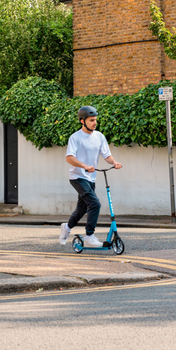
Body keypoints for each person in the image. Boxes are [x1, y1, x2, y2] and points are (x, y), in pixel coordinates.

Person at [59, 106, 122, 247]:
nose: (95, 123)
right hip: (77, 177)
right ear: (82, 121)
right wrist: (84, 166)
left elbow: (107, 155)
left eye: (95, 120)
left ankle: (67, 228)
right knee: (95, 204)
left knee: (82, 209)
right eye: (91, 120)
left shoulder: (99, 136)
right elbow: (69, 158)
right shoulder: (75, 138)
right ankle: (89, 236)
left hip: (90, 178)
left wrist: (115, 162)